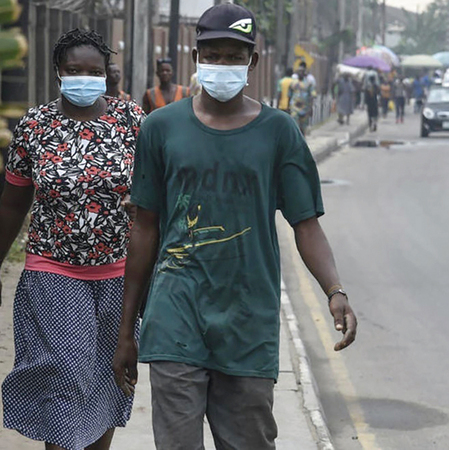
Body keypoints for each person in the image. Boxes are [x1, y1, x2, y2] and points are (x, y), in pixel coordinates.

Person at [112, 4, 357, 449]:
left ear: (252, 62)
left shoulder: (279, 133)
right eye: (214, 55)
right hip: (175, 316)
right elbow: (143, 228)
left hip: (247, 320)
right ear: (196, 57)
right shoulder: (160, 128)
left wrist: (334, 291)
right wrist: (127, 330)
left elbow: (306, 225)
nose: (222, 65)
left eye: (233, 56)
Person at [0, 29, 145, 450]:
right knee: (65, 378)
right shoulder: (36, 125)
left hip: (118, 276)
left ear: (107, 74)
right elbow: (13, 205)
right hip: (53, 272)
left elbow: (154, 197)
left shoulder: (132, 122)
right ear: (58, 72)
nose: (85, 78)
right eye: (75, 70)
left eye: (95, 71)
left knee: (107, 380)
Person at [289, 62, 316, 135]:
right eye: (299, 72)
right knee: (295, 125)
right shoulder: (293, 82)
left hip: (305, 108)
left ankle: (303, 140)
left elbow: (312, 95)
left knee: (303, 127)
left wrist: (311, 107)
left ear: (305, 73)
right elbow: (289, 94)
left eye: (302, 72)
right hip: (294, 107)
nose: (300, 73)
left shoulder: (309, 83)